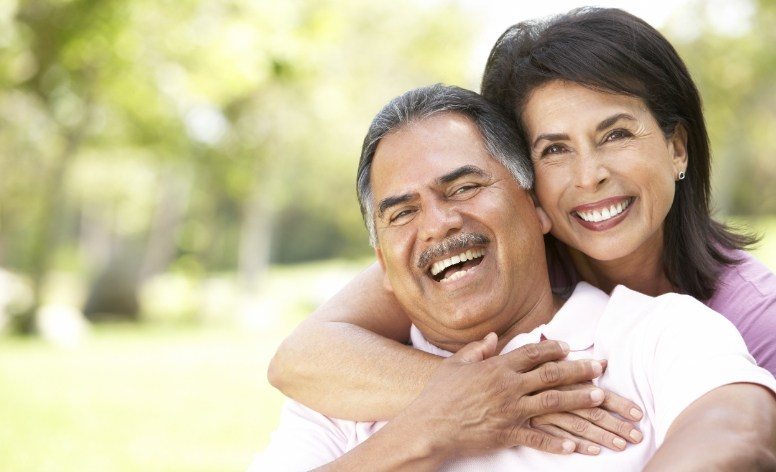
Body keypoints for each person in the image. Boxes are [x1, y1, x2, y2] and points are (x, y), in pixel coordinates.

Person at [267, 7, 776, 453]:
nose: (588, 175)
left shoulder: (746, 315)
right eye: (554, 149)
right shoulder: (490, 255)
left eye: (616, 134)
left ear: (677, 148)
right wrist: (488, 395)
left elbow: (740, 434)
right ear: (524, 184)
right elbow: (302, 358)